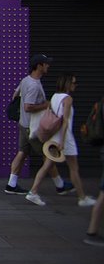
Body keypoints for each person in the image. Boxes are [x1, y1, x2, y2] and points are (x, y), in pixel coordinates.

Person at [4, 55, 72, 198]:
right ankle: (59, 186)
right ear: (39, 66)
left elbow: (15, 95)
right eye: (46, 64)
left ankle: (11, 184)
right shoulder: (34, 85)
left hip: (23, 124)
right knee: (49, 156)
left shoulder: (25, 80)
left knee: (22, 152)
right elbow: (28, 106)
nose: (48, 66)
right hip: (32, 128)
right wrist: (45, 105)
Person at [25, 75, 96, 207]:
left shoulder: (54, 97)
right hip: (65, 138)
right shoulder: (67, 99)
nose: (76, 85)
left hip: (54, 137)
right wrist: (62, 142)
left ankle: (33, 192)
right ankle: (82, 198)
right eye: (74, 83)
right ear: (68, 84)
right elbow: (64, 122)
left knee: (46, 166)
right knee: (74, 168)